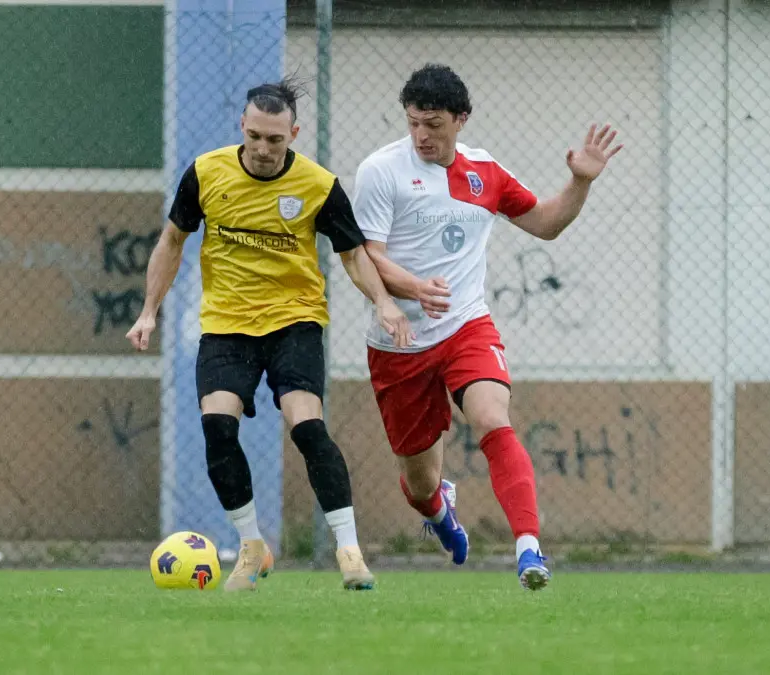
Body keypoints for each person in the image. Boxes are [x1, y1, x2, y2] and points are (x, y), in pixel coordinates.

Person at [126, 80, 410, 592]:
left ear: (293, 134)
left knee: (307, 428)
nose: (262, 149)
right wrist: (150, 311)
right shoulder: (206, 173)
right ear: (242, 126)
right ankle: (252, 547)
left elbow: (352, 253)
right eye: (255, 136)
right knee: (217, 427)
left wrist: (385, 302)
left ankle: (349, 551)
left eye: (275, 140)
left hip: (293, 320)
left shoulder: (318, 185)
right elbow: (172, 240)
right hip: (226, 324)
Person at [351, 63, 622, 590]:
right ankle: (439, 513)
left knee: (492, 418)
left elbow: (545, 224)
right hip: (398, 343)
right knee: (420, 480)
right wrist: (412, 287)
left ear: (461, 119)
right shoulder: (380, 171)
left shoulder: (485, 172)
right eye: (413, 124)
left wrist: (579, 183)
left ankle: (528, 551)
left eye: (433, 124)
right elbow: (365, 256)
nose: (421, 136)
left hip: (464, 326)